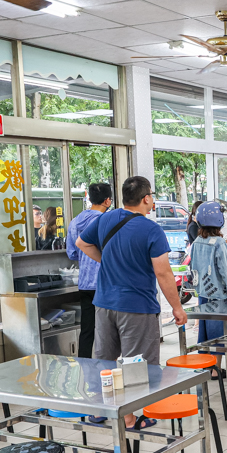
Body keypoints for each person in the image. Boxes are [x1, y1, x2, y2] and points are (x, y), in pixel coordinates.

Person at [76, 176, 187, 429]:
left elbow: (81, 243)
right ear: (147, 198)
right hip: (137, 306)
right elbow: (163, 273)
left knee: (105, 359)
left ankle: (102, 411)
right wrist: (177, 308)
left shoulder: (104, 218)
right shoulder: (151, 229)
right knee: (139, 365)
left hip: (103, 303)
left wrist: (106, 261)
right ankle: (131, 417)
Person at [65, 182, 113, 358]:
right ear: (107, 201)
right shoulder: (106, 221)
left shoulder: (75, 222)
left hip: (85, 283)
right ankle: (108, 369)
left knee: (87, 329)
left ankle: (84, 368)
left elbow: (71, 253)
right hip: (106, 283)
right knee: (109, 330)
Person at [191, 201, 227, 359]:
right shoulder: (219, 242)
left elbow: (194, 268)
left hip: (203, 294)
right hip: (219, 296)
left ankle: (206, 366)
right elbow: (226, 269)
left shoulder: (196, 242)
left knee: (205, 334)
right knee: (219, 335)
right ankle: (216, 369)